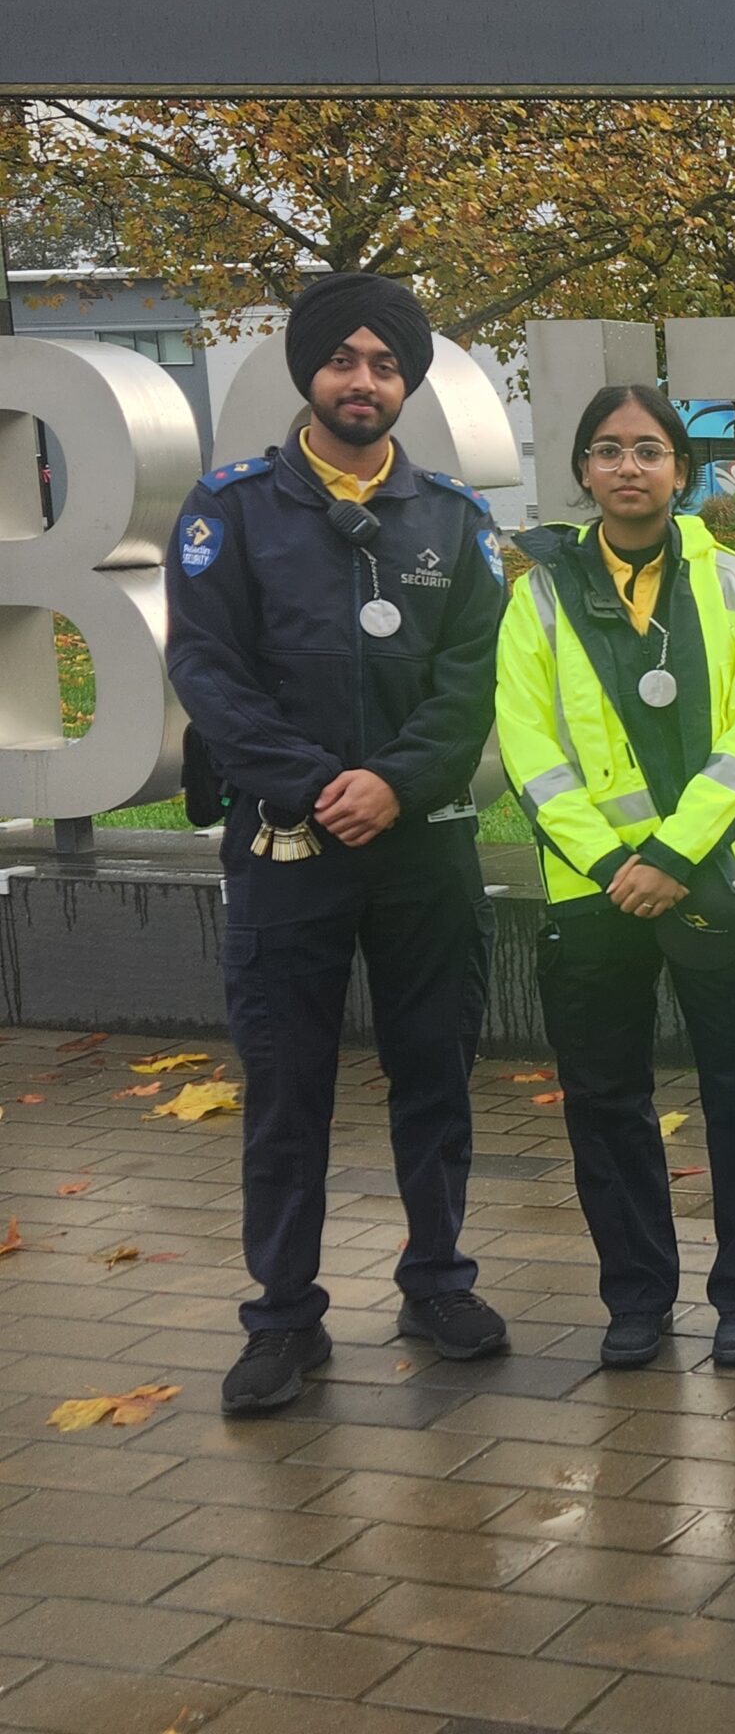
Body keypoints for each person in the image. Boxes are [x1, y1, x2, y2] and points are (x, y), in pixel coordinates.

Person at [165, 271, 509, 1413]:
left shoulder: (455, 520)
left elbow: (471, 685)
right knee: (285, 1087)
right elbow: (208, 674)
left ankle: (437, 1281)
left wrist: (397, 786)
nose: (364, 381)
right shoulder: (231, 510)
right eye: (344, 360)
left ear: (408, 381)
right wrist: (321, 789)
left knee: (436, 1077)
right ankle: (283, 1318)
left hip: (423, 849)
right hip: (287, 847)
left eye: (386, 364)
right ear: (309, 372)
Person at [495, 386, 735, 1370]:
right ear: (584, 471)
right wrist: (613, 862)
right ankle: (636, 1299)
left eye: (649, 450)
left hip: (717, 881)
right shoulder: (537, 595)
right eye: (607, 450)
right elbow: (528, 748)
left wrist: (673, 857)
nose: (629, 468)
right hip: (596, 897)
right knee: (605, 1102)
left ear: (681, 469)